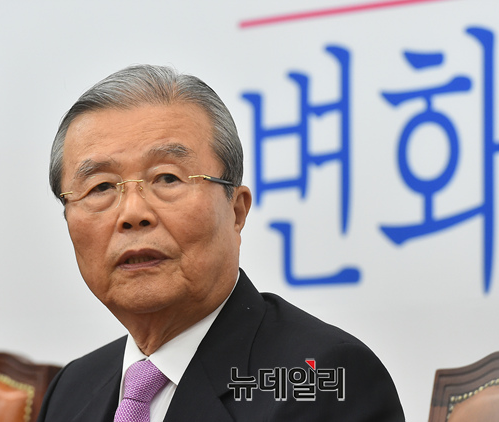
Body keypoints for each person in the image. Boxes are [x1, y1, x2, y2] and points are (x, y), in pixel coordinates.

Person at [37, 64, 405, 422]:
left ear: (236, 211)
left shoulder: (321, 379)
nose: (133, 213)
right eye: (101, 186)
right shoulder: (70, 390)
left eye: (167, 178)